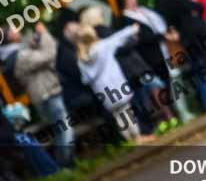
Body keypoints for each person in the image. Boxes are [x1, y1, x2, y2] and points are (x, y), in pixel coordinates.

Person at [6, 22, 75, 167]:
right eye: (13, 30)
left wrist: (39, 39)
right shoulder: (18, 56)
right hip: (47, 94)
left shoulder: (21, 51)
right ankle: (65, 166)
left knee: (60, 131)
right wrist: (43, 33)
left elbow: (49, 48)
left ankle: (64, 165)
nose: (18, 31)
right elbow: (49, 55)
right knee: (65, 129)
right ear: (8, 37)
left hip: (45, 94)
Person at [75, 22, 155, 144]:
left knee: (117, 114)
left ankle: (130, 140)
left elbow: (85, 80)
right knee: (126, 111)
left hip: (102, 90)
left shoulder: (81, 59)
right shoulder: (102, 46)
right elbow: (118, 37)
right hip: (116, 84)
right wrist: (132, 29)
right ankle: (137, 137)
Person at [115, 0, 181, 131]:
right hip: (145, 59)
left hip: (160, 53)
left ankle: (173, 115)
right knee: (155, 89)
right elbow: (140, 40)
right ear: (124, 0)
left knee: (165, 84)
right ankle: (166, 118)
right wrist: (161, 37)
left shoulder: (143, 12)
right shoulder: (125, 20)